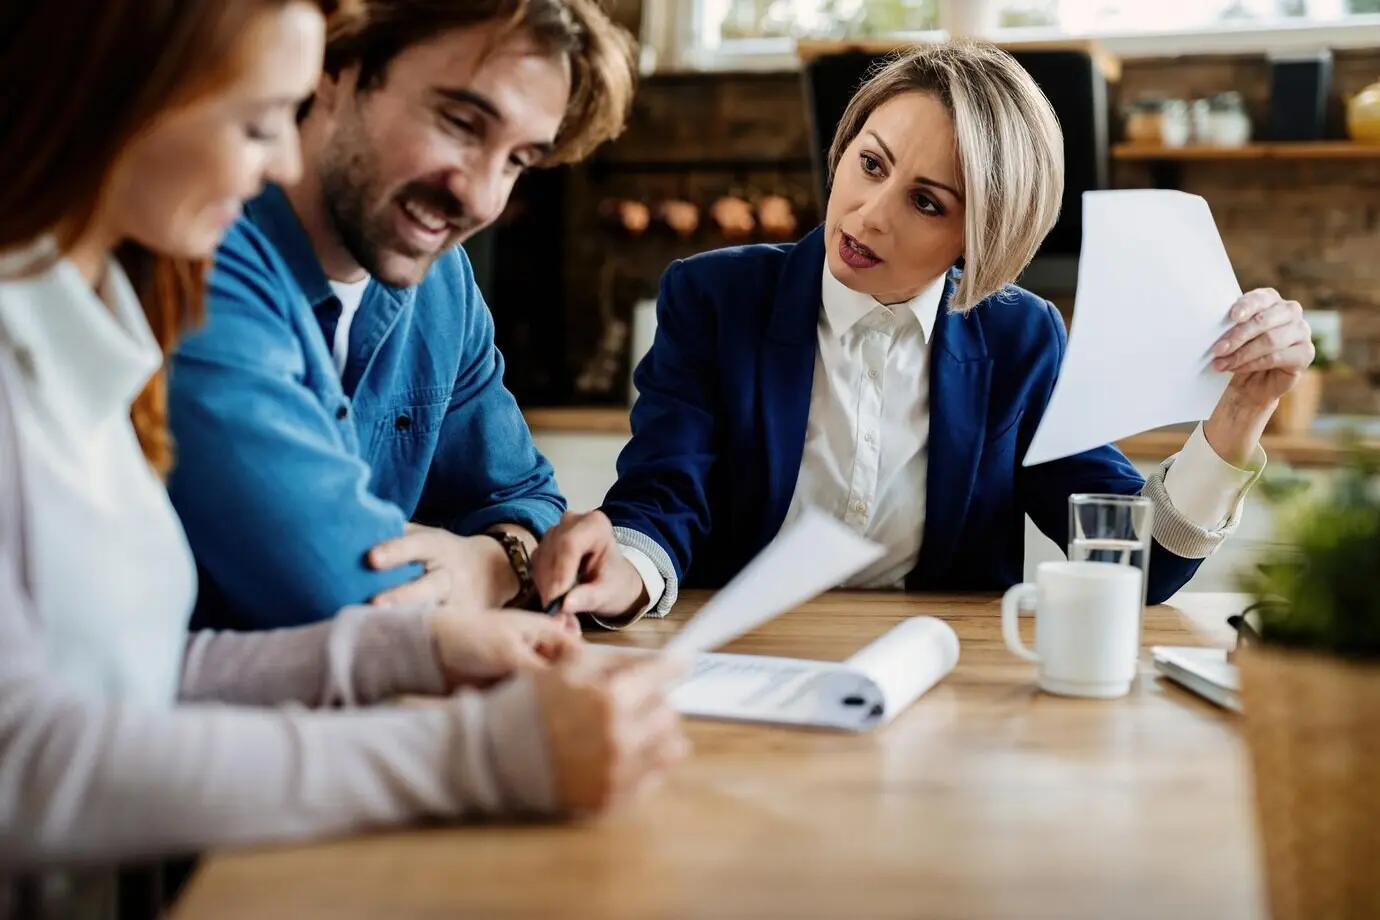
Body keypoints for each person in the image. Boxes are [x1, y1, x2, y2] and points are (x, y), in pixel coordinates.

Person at [0, 2, 685, 911]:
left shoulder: (109, 331)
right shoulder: (201, 271)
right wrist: (482, 753)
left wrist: (436, 634)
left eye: (520, 159)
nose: (485, 198)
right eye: (258, 120)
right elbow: (26, 764)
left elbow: (148, 667)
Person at [529, 41, 1315, 626]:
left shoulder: (1019, 340)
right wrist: (623, 569)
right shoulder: (714, 297)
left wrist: (1241, 412)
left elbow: (1136, 564)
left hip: (937, 678)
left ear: (985, 237)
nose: (871, 214)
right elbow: (663, 503)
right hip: (732, 659)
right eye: (871, 165)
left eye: (928, 202)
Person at [164, 0, 638, 632]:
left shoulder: (444, 282)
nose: (482, 196)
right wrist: (503, 567)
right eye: (462, 123)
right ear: (336, 69)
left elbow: (526, 500)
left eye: (518, 160)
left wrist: (492, 562)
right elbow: (334, 589)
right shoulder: (202, 253)